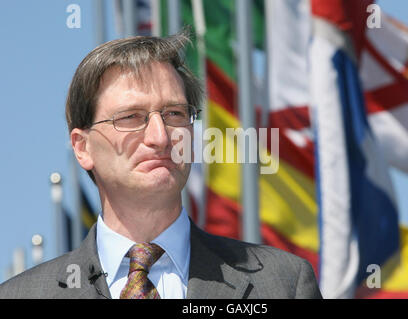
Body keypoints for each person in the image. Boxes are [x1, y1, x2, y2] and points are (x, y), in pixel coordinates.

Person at [0, 31, 322, 299]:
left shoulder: (283, 284)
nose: (160, 137)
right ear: (82, 147)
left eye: (174, 115)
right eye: (131, 117)